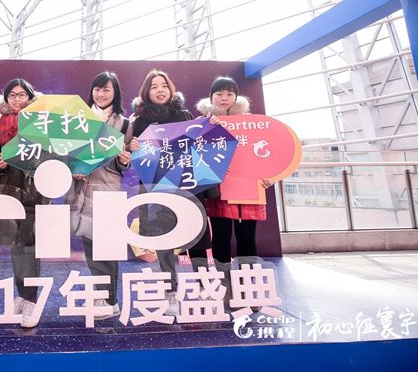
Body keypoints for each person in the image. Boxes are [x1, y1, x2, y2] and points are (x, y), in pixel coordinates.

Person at [129, 68, 213, 316]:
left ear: (171, 89)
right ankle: (171, 291)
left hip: (187, 185)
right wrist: (132, 145)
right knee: (164, 242)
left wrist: (211, 126)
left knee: (197, 238)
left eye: (164, 85)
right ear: (147, 92)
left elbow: (200, 146)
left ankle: (205, 286)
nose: (160, 90)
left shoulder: (184, 115)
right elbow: (135, 158)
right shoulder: (139, 121)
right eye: (154, 86)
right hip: (157, 188)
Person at [67, 72, 132, 320]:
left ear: (115, 93)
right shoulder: (78, 120)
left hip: (108, 189)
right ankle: (104, 295)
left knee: (107, 246)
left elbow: (125, 163)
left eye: (106, 89)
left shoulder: (125, 124)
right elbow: (68, 154)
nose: (101, 94)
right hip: (82, 189)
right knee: (90, 245)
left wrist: (124, 160)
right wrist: (74, 170)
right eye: (97, 89)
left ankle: (109, 299)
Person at [196, 76, 272, 274]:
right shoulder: (201, 123)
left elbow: (267, 153)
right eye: (219, 94)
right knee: (221, 237)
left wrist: (269, 176)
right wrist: (207, 129)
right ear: (211, 97)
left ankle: (248, 282)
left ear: (236, 97)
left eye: (229, 94)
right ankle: (224, 280)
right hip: (219, 190)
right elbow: (194, 156)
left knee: (247, 237)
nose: (224, 98)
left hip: (249, 191)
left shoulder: (251, 123)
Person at [0, 78, 47, 328]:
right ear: (6, 99)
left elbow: (53, 155)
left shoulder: (43, 123)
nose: (17, 99)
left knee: (31, 246)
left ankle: (32, 299)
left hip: (35, 191)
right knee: (16, 246)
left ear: (30, 97)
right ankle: (22, 295)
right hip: (8, 191)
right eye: (12, 95)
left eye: (22, 94)